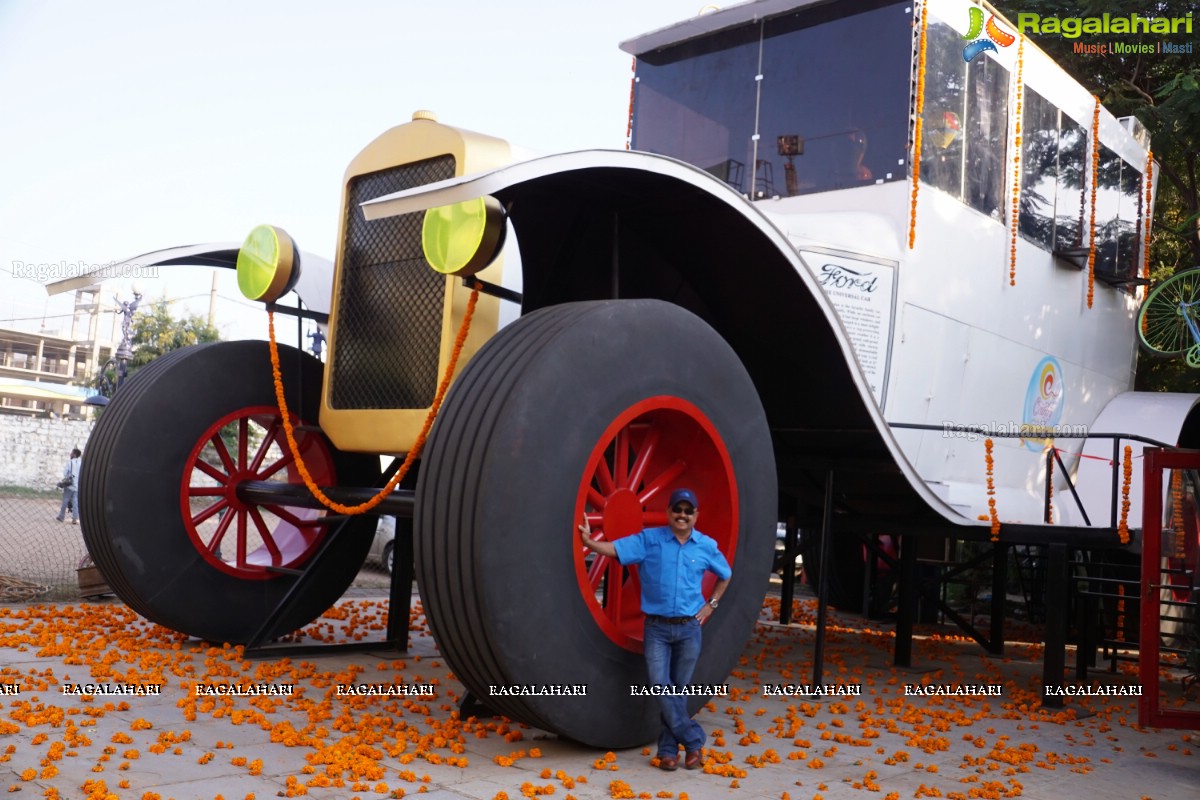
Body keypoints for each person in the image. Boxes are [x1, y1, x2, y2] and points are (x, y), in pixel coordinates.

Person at [579, 487, 731, 771]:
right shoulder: (650, 540)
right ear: (669, 512)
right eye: (677, 509)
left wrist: (711, 605)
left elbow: (725, 574)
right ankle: (694, 740)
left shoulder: (706, 546)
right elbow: (616, 549)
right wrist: (590, 542)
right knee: (662, 687)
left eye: (688, 511)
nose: (682, 515)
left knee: (678, 692)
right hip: (657, 629)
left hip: (689, 629)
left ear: (696, 515)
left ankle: (669, 752)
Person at [56, 448, 82, 524]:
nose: (70, 454)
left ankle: (61, 516)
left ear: (74, 454)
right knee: (75, 501)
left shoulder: (70, 462)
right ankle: (75, 518)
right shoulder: (81, 463)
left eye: (71, 453)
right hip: (77, 485)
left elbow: (65, 473)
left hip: (69, 485)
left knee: (65, 500)